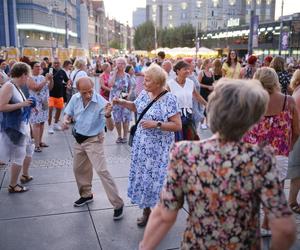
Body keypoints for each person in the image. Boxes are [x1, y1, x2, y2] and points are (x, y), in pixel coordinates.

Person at [139, 79, 297, 250]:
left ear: (212, 110)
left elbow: (164, 215)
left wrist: (144, 247)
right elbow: (285, 229)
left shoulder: (185, 153)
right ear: (252, 119)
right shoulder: (261, 159)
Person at [113, 64, 181, 227]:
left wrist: (156, 124)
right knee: (144, 180)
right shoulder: (144, 93)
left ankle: (161, 214)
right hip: (142, 149)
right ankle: (146, 211)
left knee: (158, 182)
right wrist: (121, 102)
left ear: (158, 83)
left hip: (159, 151)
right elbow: (137, 107)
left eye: (148, 80)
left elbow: (177, 125)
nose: (144, 82)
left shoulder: (169, 99)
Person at [244, 67, 299, 236]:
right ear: (275, 81)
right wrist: (289, 146)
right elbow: (297, 130)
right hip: (279, 153)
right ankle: (268, 224)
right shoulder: (288, 101)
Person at [62, 77, 124, 219]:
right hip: (79, 139)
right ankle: (86, 194)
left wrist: (108, 115)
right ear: (78, 90)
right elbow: (68, 113)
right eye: (84, 93)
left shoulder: (102, 102)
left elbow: (111, 127)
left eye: (90, 91)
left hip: (94, 140)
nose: (88, 95)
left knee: (102, 171)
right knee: (79, 169)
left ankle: (118, 204)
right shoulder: (75, 98)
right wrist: (65, 120)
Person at [0, 62, 35, 193]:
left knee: (29, 150)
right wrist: (22, 104)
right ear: (23, 75)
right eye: (27, 76)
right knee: (19, 155)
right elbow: (1, 106)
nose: (28, 79)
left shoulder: (15, 86)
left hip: (21, 126)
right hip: (14, 127)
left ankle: (24, 175)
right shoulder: (9, 86)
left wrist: (26, 105)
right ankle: (13, 185)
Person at [168, 60, 207, 141]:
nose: (188, 71)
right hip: (175, 117)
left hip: (189, 116)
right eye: (185, 69)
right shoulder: (170, 84)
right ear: (178, 71)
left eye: (188, 69)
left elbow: (197, 96)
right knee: (178, 140)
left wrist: (208, 105)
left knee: (190, 139)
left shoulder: (190, 83)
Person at [28, 61, 53, 152]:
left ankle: (40, 141)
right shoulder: (29, 78)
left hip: (44, 103)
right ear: (31, 68)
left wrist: (51, 79)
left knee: (42, 122)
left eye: (40, 67)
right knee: (36, 123)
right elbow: (36, 88)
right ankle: (36, 145)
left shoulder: (42, 77)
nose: (39, 68)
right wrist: (46, 80)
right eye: (36, 66)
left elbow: (50, 88)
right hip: (35, 104)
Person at [109, 57, 132, 144]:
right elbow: (110, 84)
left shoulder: (127, 75)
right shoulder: (112, 74)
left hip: (125, 99)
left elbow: (130, 87)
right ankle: (119, 136)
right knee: (117, 118)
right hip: (115, 99)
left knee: (126, 118)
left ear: (125, 65)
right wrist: (115, 73)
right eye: (119, 63)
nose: (120, 65)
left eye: (122, 63)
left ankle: (125, 136)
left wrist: (129, 95)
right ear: (116, 64)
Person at [287, 69, 300, 213]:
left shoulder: (297, 93)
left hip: (296, 135)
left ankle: (291, 201)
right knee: (296, 170)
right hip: (297, 135)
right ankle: (292, 201)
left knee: (295, 170)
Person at [47, 58, 70, 134]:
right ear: (52, 63)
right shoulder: (49, 70)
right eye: (55, 63)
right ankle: (50, 126)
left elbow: (67, 80)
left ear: (60, 64)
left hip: (60, 94)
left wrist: (68, 84)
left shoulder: (62, 72)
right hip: (50, 94)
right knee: (50, 110)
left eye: (58, 63)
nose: (56, 64)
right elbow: (43, 78)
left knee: (59, 110)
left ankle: (56, 124)